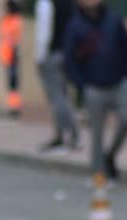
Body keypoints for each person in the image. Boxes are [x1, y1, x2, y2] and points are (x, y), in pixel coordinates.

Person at [63, 0, 127, 180]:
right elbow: (70, 59)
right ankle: (99, 175)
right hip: (93, 86)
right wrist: (81, 84)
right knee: (97, 134)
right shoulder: (75, 26)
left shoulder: (114, 21)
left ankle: (110, 154)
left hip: (118, 82)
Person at [35, 0, 80, 152]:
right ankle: (60, 135)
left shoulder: (46, 4)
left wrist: (40, 58)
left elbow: (44, 33)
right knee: (64, 96)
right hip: (68, 55)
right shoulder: (70, 4)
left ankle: (72, 134)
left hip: (52, 54)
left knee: (58, 98)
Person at [0, 0, 23, 118]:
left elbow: (15, 39)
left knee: (14, 84)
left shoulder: (15, 20)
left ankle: (15, 108)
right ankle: (13, 106)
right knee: (11, 84)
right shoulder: (7, 20)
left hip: (13, 54)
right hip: (7, 55)